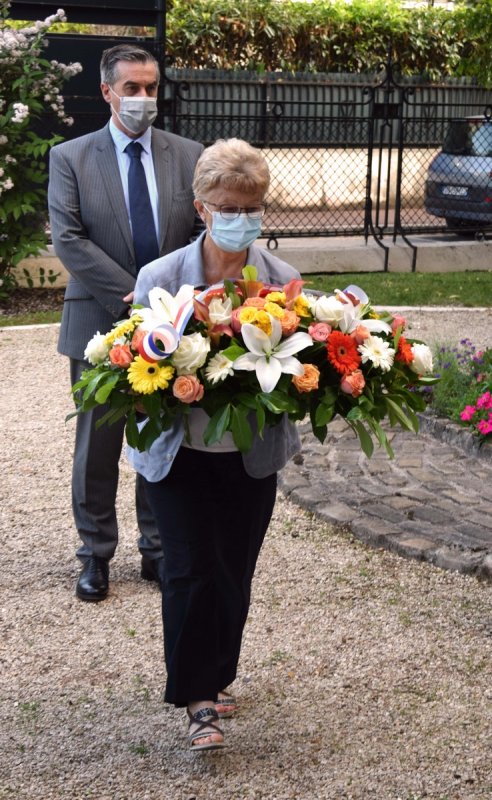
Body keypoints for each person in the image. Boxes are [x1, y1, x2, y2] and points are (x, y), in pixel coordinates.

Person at [127, 138, 302, 751]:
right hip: (177, 455)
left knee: (233, 570)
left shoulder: (282, 282)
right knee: (188, 567)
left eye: (251, 205)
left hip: (249, 458)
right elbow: (134, 376)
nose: (241, 217)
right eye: (228, 205)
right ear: (202, 206)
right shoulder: (160, 277)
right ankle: (199, 700)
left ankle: (216, 673)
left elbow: (293, 377)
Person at [48, 43, 204, 602]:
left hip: (172, 319)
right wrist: (134, 296)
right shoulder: (71, 158)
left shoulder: (188, 155)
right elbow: (68, 239)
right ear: (107, 91)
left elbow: (198, 234)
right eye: (131, 88)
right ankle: (94, 553)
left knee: (161, 434)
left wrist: (173, 300)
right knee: (98, 443)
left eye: (151, 88)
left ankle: (156, 550)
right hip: (97, 319)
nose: (143, 99)